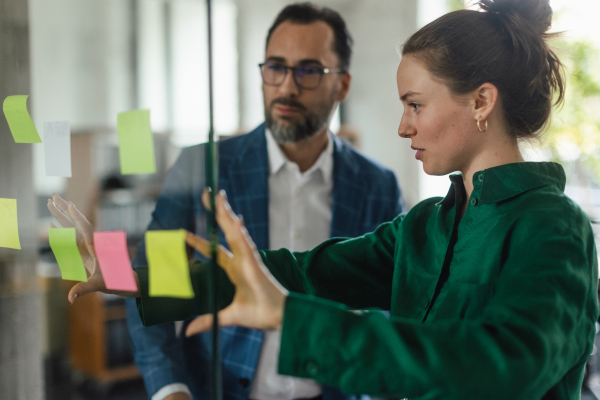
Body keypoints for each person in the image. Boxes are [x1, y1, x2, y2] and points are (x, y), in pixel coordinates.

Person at [85, 0, 596, 398]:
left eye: (415, 104)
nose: (402, 126)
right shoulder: (425, 227)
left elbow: (505, 367)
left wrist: (292, 318)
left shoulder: (553, 226)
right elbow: (297, 271)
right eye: (275, 68)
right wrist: (131, 276)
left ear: (482, 101)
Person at [48, 3, 404, 400]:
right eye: (275, 67)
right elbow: (155, 287)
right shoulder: (203, 168)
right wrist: (171, 390)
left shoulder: (378, 185)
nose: (286, 86)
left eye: (308, 70)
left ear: (342, 85)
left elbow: (392, 309)